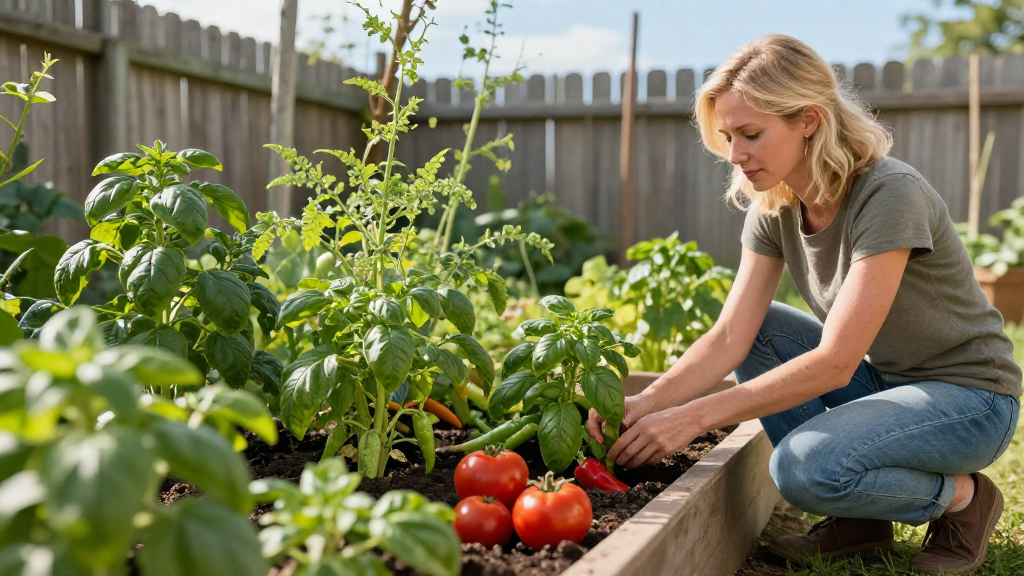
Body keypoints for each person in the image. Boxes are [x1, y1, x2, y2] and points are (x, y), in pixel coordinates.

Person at [585, 34, 1021, 574]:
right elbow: (731, 336)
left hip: (971, 400)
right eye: (728, 137)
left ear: (809, 120)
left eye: (751, 134)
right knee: (761, 329)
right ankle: (860, 521)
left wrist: (692, 418)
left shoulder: (890, 193)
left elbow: (836, 362)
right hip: (889, 382)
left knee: (802, 469)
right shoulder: (775, 205)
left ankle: (964, 499)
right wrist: (648, 402)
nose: (735, 154)